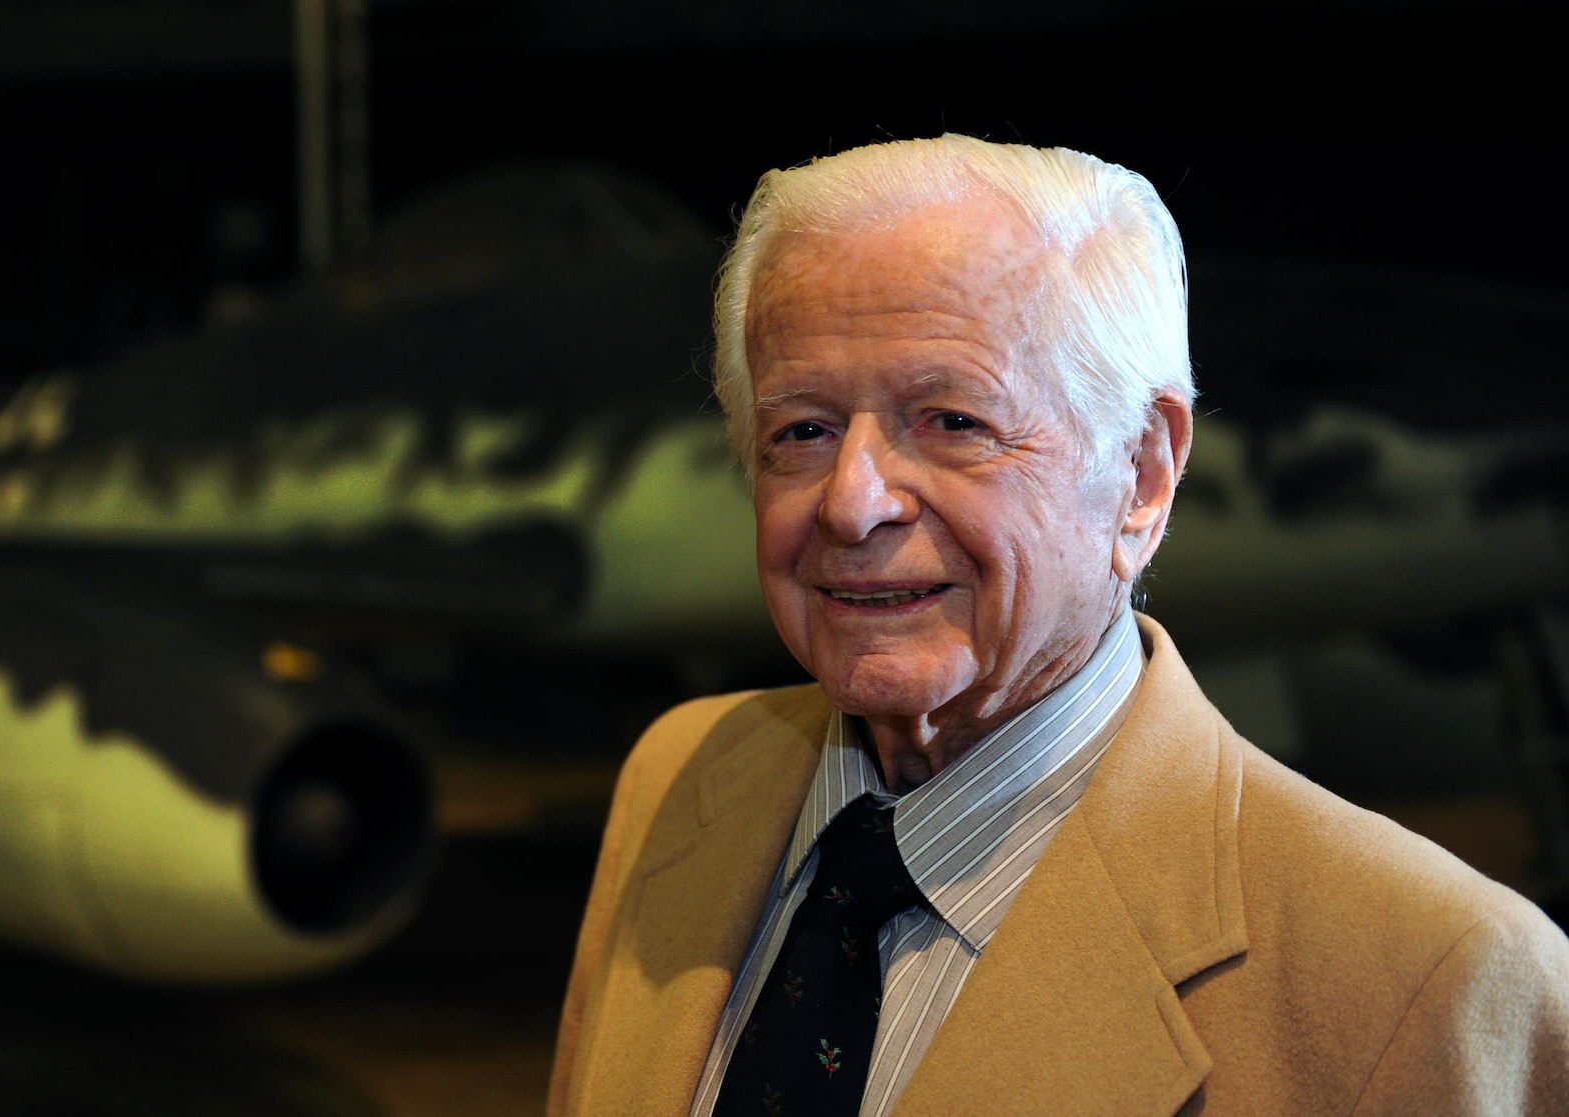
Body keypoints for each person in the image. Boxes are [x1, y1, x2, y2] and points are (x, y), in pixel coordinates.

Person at [548, 134, 1569, 1116]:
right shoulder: (680, 781)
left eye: (952, 422)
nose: (850, 503)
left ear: (1141, 472)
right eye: (801, 430)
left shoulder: (1432, 975)